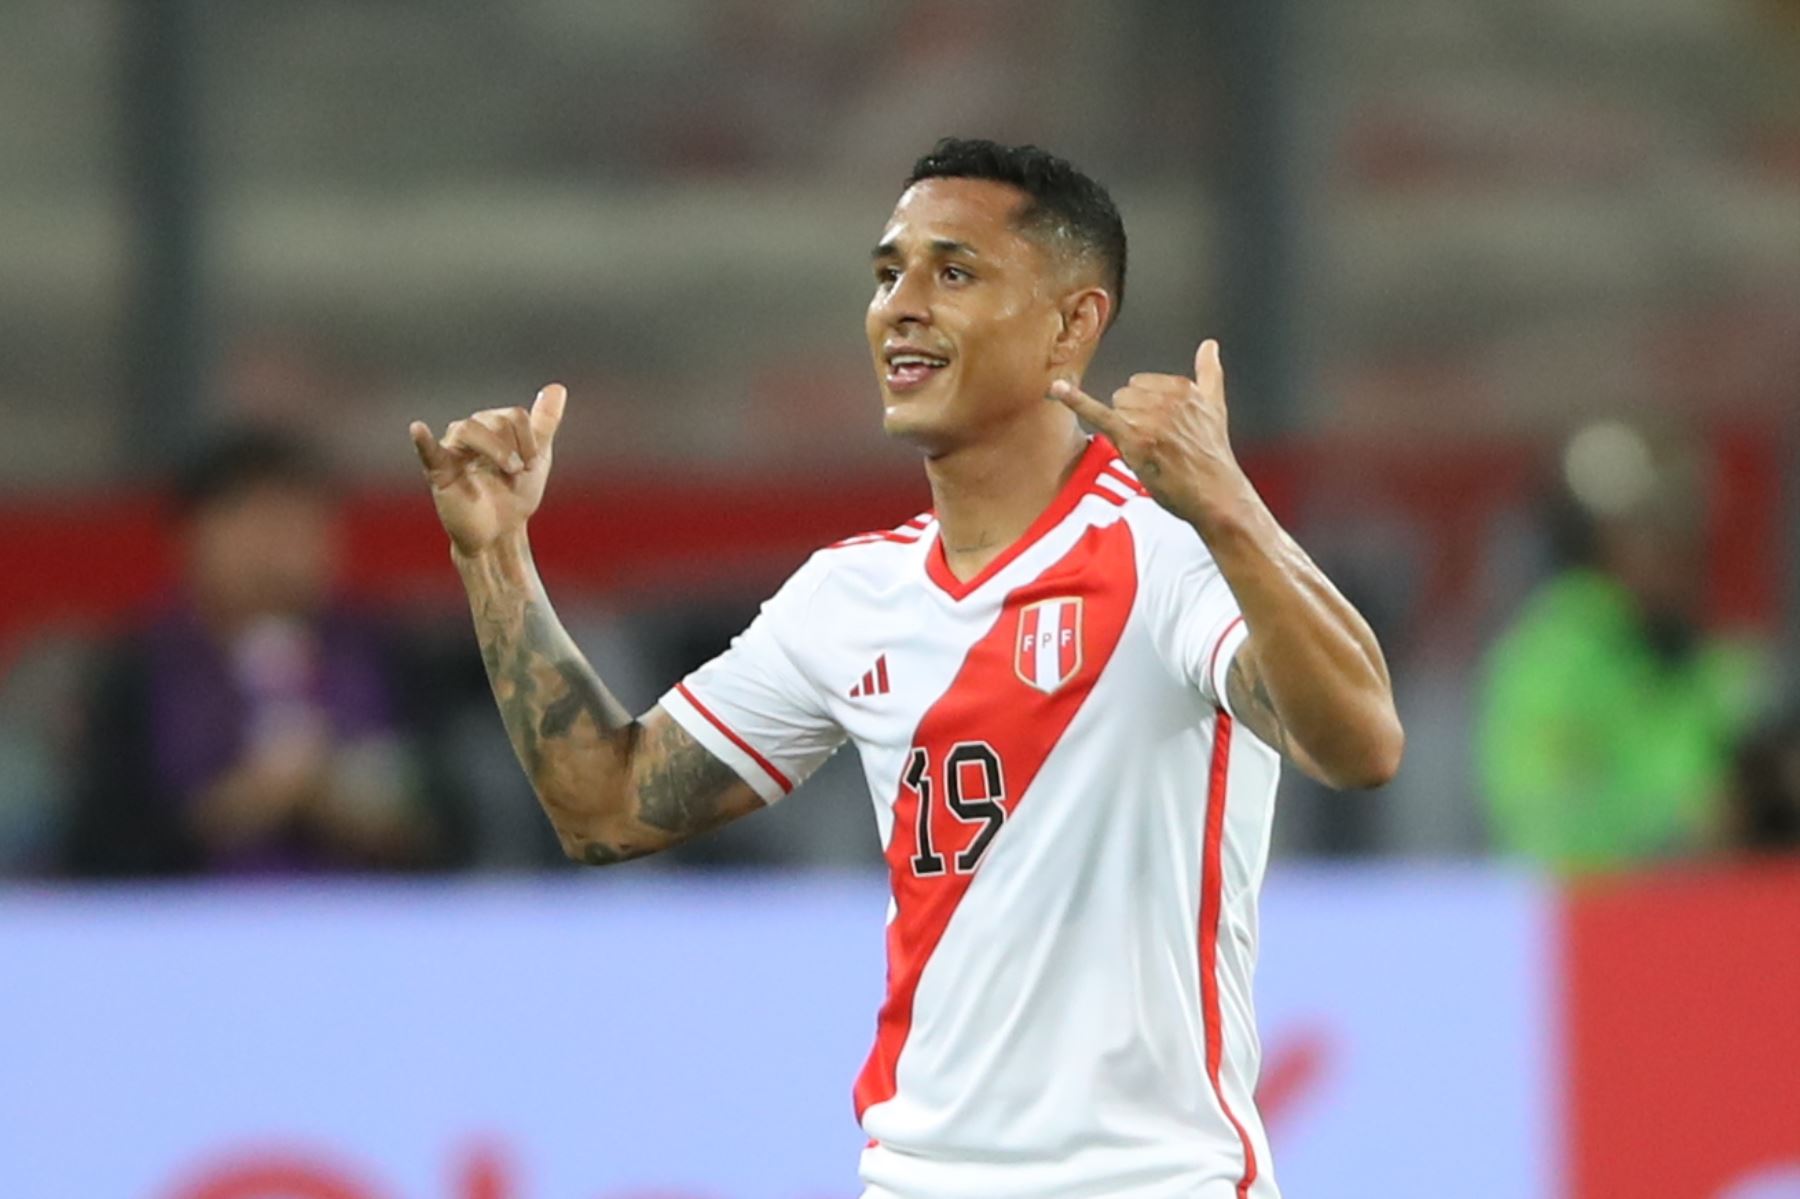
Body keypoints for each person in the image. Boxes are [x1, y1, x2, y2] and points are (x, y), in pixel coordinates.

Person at [409, 138, 1402, 1199]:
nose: (901, 306)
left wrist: (1228, 505)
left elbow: (1361, 742)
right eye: (888, 273)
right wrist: (494, 555)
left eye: (954, 271)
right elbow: (604, 805)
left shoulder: (1167, 551)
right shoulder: (849, 598)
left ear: (1075, 323)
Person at [63, 429, 466, 876]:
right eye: (255, 524)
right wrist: (242, 803)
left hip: (370, 924)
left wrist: (342, 801)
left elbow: (455, 828)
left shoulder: (391, 652)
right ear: (191, 538)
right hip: (186, 928)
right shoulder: (135, 668)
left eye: (298, 524)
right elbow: (97, 850)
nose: (276, 551)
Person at [1477, 420, 1764, 874]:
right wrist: (1684, 821)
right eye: (1649, 527)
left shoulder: (1718, 663)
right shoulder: (1551, 659)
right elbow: (1539, 824)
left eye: (1683, 524)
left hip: (1717, 918)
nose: (1675, 549)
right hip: (1594, 927)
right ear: (1600, 541)